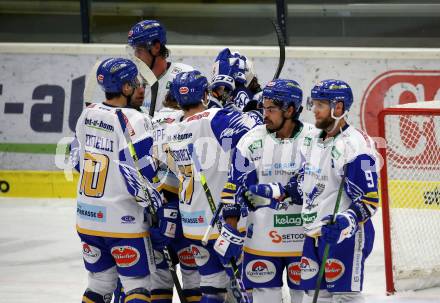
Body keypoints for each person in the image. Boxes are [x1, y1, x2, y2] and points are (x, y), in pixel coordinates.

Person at [250, 79, 379, 303]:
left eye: (320, 105)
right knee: (315, 298)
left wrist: (344, 222)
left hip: (343, 237)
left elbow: (369, 200)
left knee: (345, 298)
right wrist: (274, 190)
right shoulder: (311, 141)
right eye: (314, 104)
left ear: (338, 108)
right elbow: (303, 184)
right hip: (312, 234)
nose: (314, 111)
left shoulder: (356, 146)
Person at [71, 58, 161, 303]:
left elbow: (76, 160)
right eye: (136, 83)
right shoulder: (135, 119)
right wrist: (156, 209)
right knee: (137, 287)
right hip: (124, 221)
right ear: (125, 88)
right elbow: (143, 172)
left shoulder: (87, 114)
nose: (141, 88)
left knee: (99, 285)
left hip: (88, 219)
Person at [165, 70, 260, 303]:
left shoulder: (171, 131)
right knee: (248, 289)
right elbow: (254, 128)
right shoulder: (216, 117)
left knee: (211, 288)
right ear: (206, 94)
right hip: (226, 223)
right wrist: (251, 105)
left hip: (194, 226)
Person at [216, 79, 315, 303]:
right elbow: (234, 187)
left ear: (290, 110)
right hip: (261, 239)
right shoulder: (250, 140)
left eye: (271, 109)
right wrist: (230, 229)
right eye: (263, 108)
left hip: (303, 238)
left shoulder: (314, 140)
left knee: (306, 298)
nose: (264, 114)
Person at [127, 19, 193, 113]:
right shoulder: (133, 82)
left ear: (156, 47)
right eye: (134, 50)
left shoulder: (185, 76)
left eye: (139, 50)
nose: (136, 56)